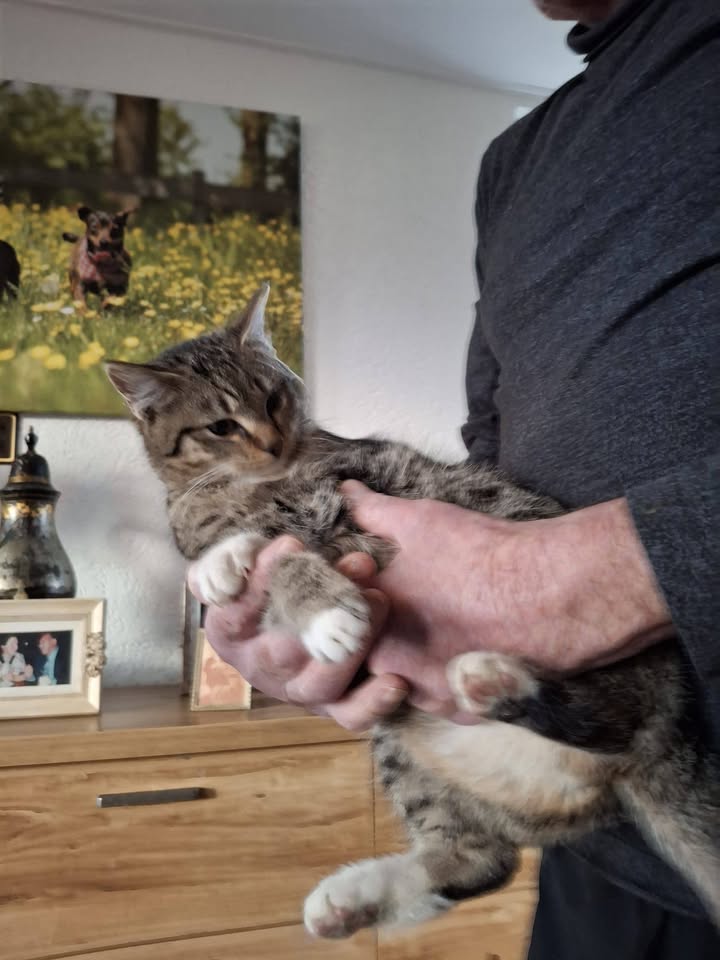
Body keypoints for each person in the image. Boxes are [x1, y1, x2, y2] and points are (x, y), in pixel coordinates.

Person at [199, 0, 719, 956]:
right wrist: (317, 620)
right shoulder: (516, 158)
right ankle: (457, 856)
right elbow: (491, 445)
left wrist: (599, 573)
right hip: (598, 844)